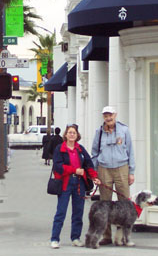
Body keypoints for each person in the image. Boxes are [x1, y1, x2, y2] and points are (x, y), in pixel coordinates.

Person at [50, 124, 100, 249]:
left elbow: (88, 164)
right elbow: (58, 166)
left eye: (74, 133)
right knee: (61, 212)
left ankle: (75, 238)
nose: (72, 134)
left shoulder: (80, 149)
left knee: (78, 212)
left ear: (77, 135)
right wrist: (74, 170)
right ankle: (55, 239)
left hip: (79, 184)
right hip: (65, 184)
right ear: (65, 135)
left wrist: (94, 176)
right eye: (69, 132)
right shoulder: (59, 149)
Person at [91, 106, 135, 246]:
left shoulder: (124, 130)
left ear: (115, 115)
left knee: (125, 204)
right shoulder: (99, 132)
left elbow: (130, 151)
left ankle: (122, 237)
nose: (108, 118)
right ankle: (106, 236)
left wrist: (131, 172)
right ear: (103, 117)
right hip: (104, 169)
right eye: (105, 116)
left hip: (122, 167)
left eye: (110, 115)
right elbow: (94, 153)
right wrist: (95, 173)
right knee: (105, 203)